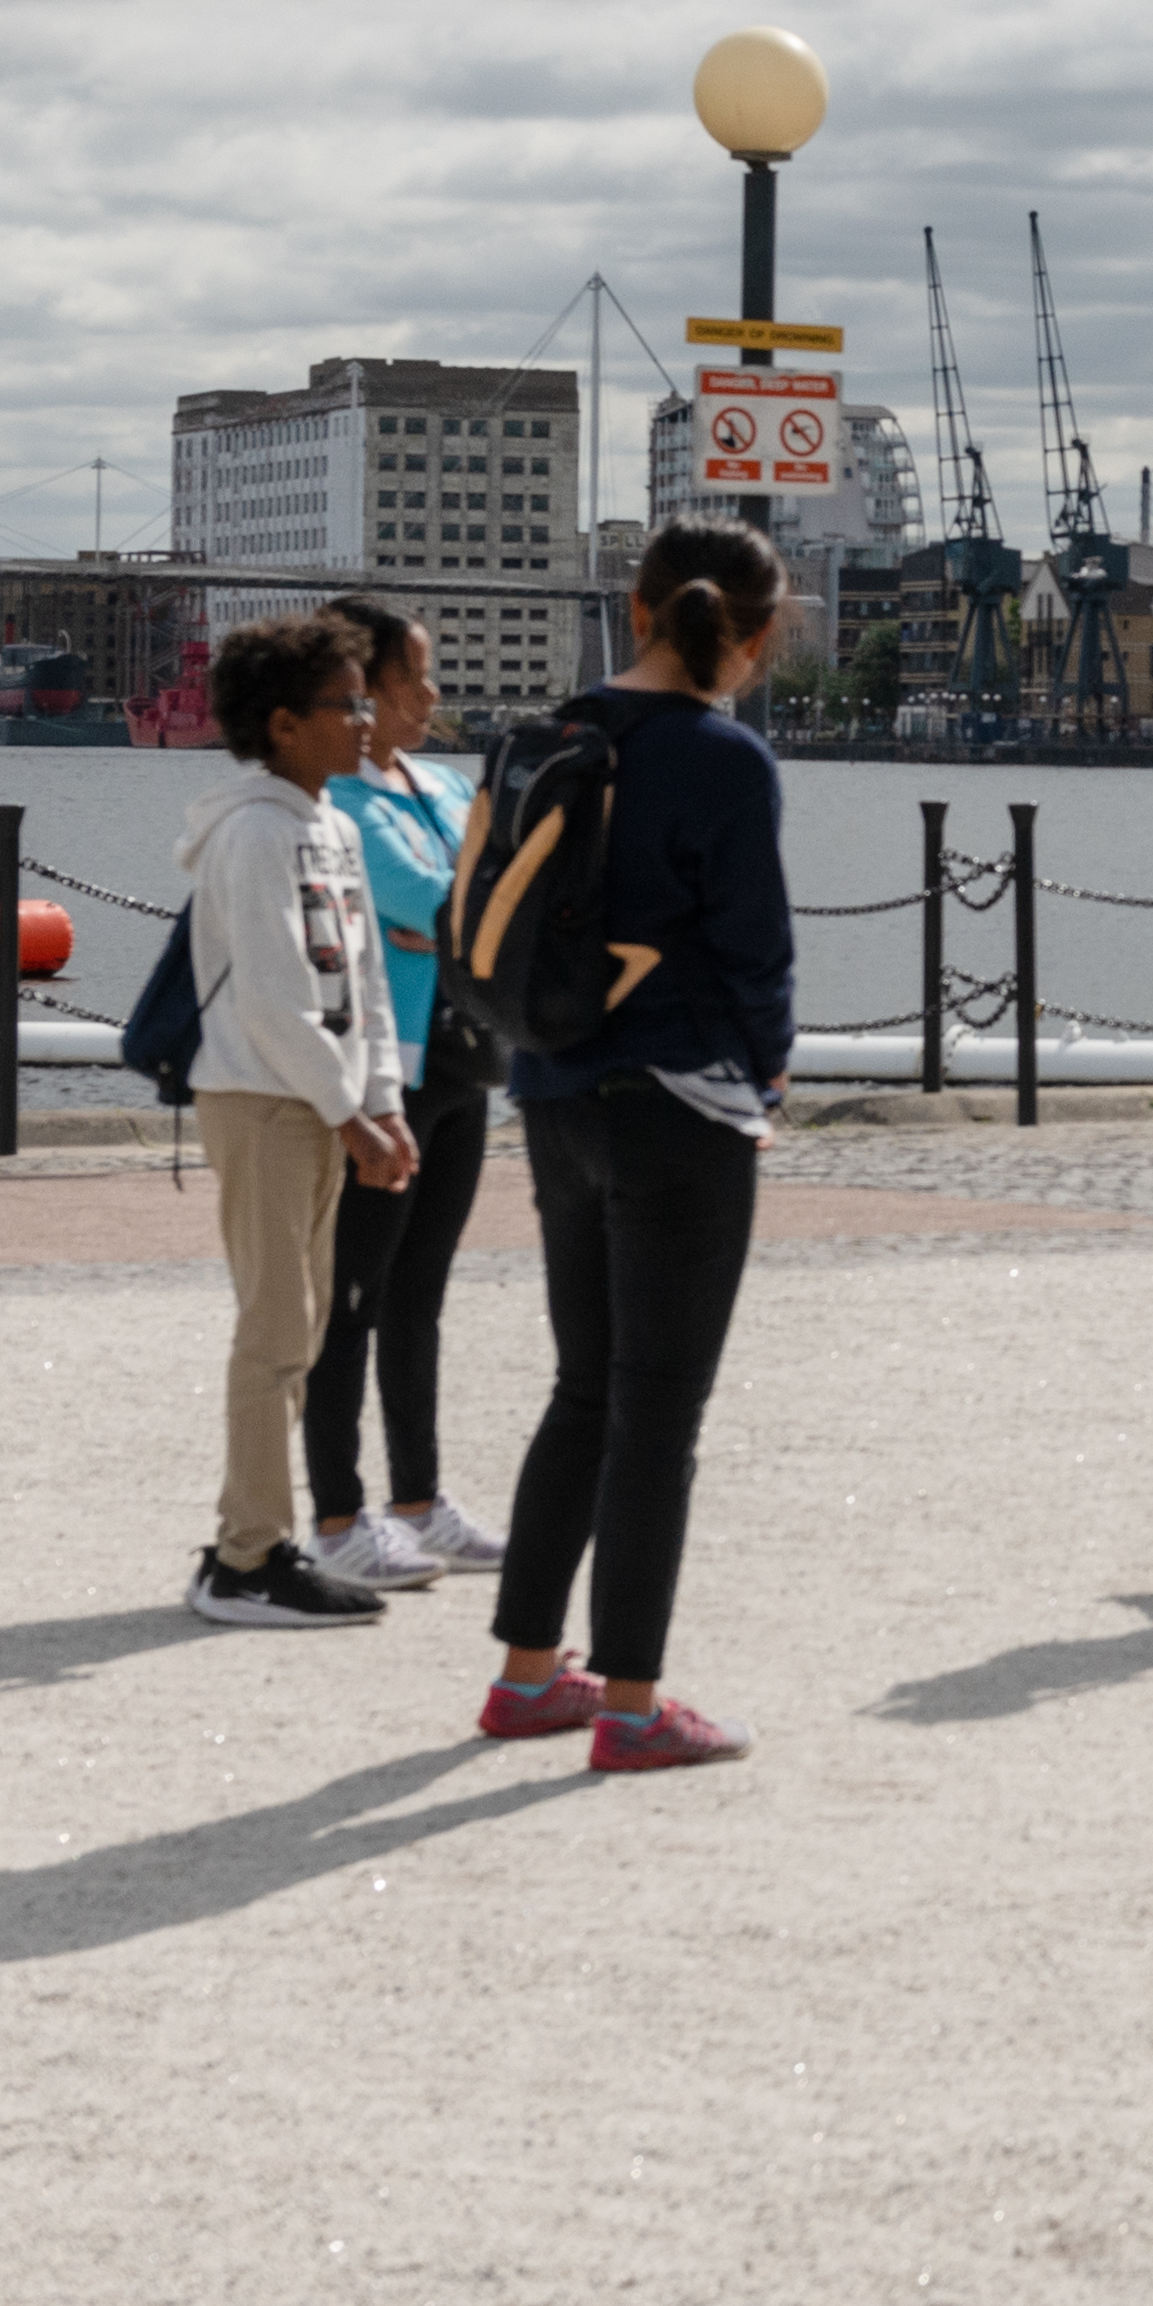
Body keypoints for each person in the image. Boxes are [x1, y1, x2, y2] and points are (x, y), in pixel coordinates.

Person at [480, 523, 794, 1775]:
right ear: (758, 635)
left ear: (636, 605)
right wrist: (766, 1074)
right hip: (681, 1101)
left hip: (552, 1088)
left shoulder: (551, 732)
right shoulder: (726, 759)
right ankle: (630, 1703)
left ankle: (524, 1676)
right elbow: (758, 951)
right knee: (662, 1412)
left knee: (586, 1389)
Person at [174, 611, 414, 1630]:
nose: (364, 719)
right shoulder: (253, 831)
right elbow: (275, 996)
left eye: (365, 697)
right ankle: (249, 1557)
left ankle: (250, 1536)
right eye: (342, 703)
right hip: (262, 1098)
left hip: (315, 1101)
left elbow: (364, 980)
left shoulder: (333, 825)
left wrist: (382, 1099)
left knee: (302, 1324)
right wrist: (346, 1112)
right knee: (276, 1326)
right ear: (281, 723)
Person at [294, 600, 503, 1596]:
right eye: (414, 677)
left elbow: (489, 897)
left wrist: (459, 912)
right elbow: (440, 904)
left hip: (463, 1065)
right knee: (353, 1298)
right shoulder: (342, 803)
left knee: (421, 1296)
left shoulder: (444, 784)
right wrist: (457, 911)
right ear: (365, 687)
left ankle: (420, 1498)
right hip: (388, 1073)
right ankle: (338, 1510)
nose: (432, 696)